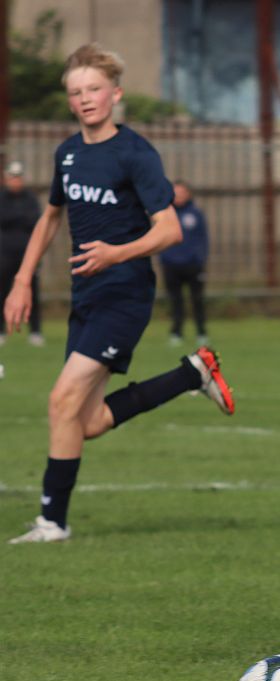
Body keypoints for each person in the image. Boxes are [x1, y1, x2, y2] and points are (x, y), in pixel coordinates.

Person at [3, 43, 235, 545]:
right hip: (85, 297)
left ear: (115, 94)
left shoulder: (135, 153)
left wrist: (117, 253)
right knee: (83, 422)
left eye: (93, 89)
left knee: (61, 400)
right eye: (75, 92)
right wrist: (22, 280)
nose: (85, 99)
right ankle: (190, 374)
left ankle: (52, 522)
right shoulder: (66, 153)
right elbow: (50, 217)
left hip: (124, 294)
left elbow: (169, 230)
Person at [158, 179, 209, 345]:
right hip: (171, 264)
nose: (178, 196)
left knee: (197, 299)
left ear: (188, 194)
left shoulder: (195, 214)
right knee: (175, 301)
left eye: (182, 193)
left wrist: (199, 258)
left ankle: (201, 332)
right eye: (175, 193)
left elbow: (203, 238)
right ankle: (176, 332)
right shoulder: (164, 215)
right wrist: (164, 257)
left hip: (193, 265)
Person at [0, 160, 45, 347]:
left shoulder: (30, 198)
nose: (15, 181)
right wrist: (17, 217)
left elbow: (35, 220)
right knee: (2, 292)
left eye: (18, 177)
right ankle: (1, 331)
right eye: (12, 177)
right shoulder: (2, 198)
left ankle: (35, 331)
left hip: (28, 255)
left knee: (32, 292)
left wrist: (14, 218)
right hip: (4, 254)